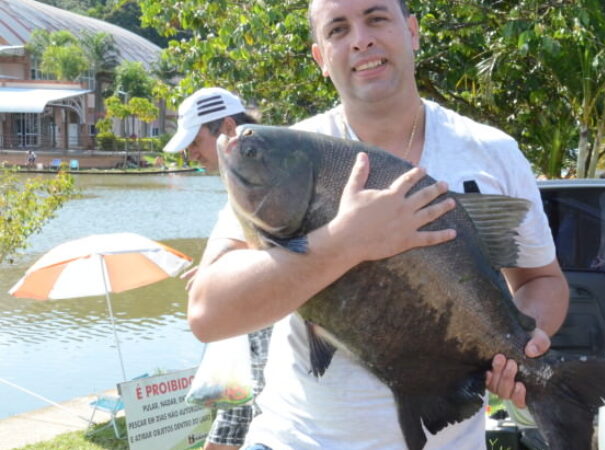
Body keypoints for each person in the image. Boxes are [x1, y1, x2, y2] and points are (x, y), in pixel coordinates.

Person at [188, 0, 569, 448]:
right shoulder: (285, 158)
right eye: (337, 29)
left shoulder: (491, 151)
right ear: (321, 58)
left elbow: (542, 280)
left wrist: (528, 345)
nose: (361, 39)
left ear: (412, 32)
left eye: (376, 18)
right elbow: (207, 314)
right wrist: (346, 242)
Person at [163, 87, 270, 450]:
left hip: (280, 343)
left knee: (258, 413)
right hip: (248, 339)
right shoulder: (240, 183)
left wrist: (231, 269)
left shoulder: (272, 180)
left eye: (195, 140)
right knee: (237, 413)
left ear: (227, 126)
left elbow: (305, 253)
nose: (189, 152)